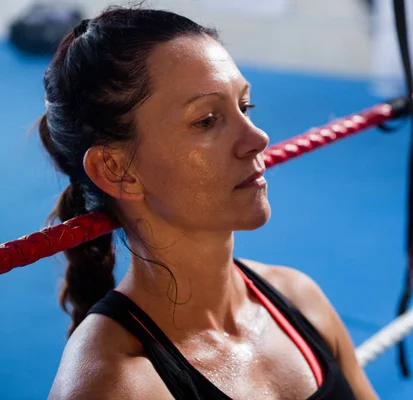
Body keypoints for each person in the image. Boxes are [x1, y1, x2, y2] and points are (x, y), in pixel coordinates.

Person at [42, 6, 378, 400]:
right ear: (118, 170)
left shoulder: (299, 297)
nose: (258, 138)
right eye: (206, 120)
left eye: (245, 106)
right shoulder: (115, 385)